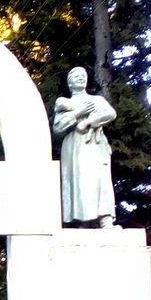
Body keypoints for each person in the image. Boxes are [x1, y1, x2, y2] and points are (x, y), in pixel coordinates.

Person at [52, 66, 117, 228]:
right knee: (80, 181)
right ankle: (84, 221)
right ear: (69, 83)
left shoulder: (97, 100)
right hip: (75, 146)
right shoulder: (64, 103)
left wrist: (89, 121)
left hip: (96, 144)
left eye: (83, 75)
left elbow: (110, 113)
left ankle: (106, 220)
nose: (81, 78)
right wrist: (78, 113)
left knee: (101, 179)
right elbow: (58, 128)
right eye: (76, 76)